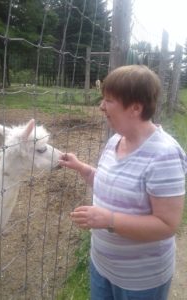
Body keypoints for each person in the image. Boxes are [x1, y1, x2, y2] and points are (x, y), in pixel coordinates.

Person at [59, 65, 187, 300]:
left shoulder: (164, 155)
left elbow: (167, 225)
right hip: (101, 267)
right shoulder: (116, 140)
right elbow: (110, 185)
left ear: (135, 107)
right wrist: (82, 168)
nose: (101, 106)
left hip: (140, 282)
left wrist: (109, 220)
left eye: (109, 100)